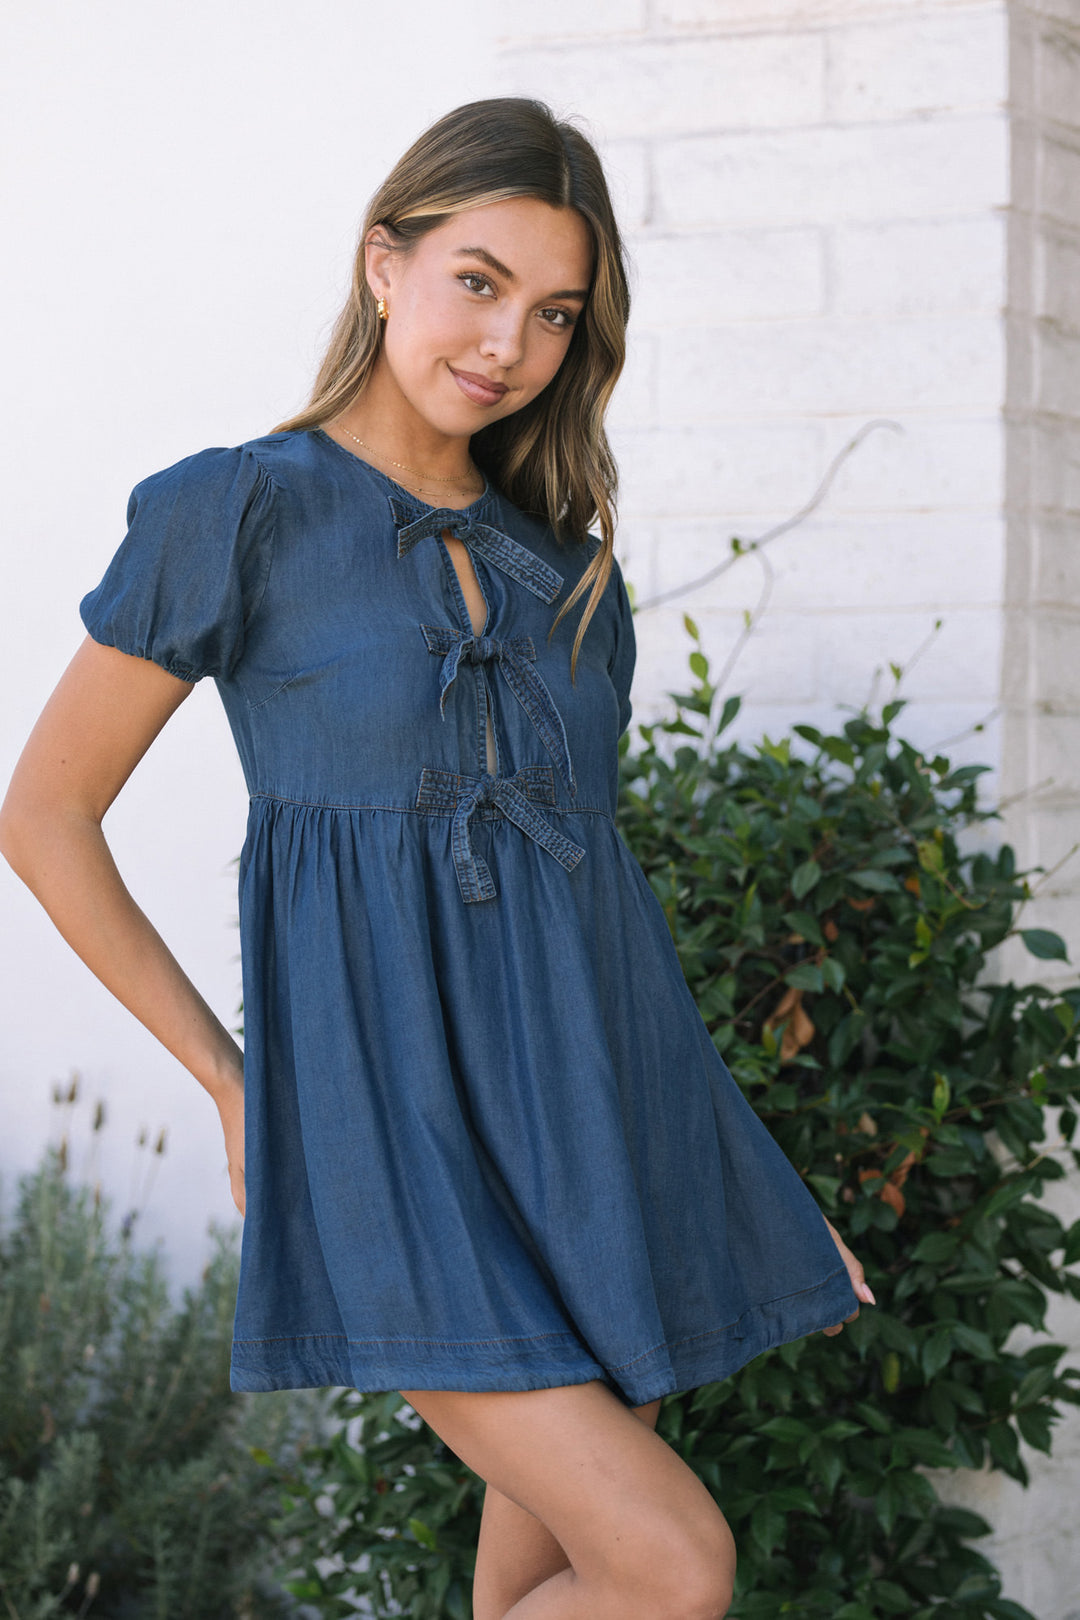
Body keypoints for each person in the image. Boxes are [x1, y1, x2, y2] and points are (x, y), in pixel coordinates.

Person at [1, 97, 873, 1620]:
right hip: (383, 1137)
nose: (508, 344)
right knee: (672, 1570)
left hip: (593, 1139)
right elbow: (43, 816)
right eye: (478, 280)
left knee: (542, 1584)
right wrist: (235, 1081)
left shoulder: (568, 568)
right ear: (383, 265)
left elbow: (601, 912)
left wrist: (742, 1176)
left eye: (554, 314)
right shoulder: (239, 510)